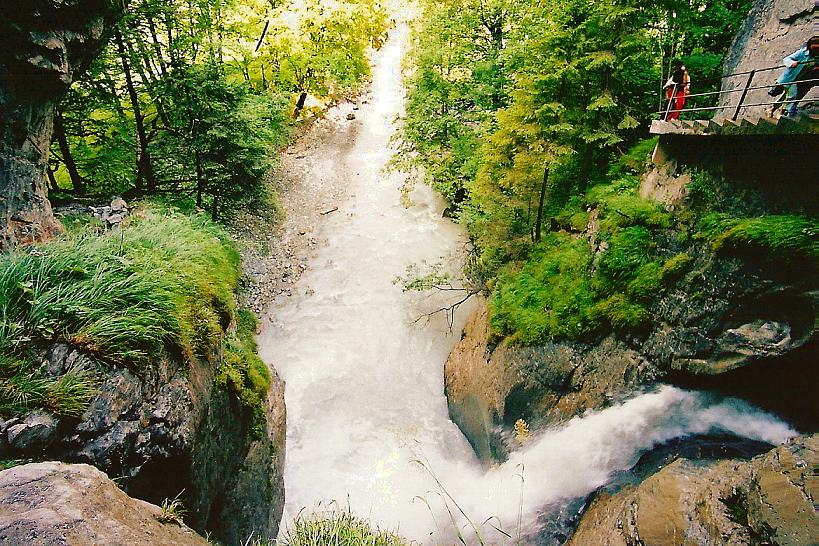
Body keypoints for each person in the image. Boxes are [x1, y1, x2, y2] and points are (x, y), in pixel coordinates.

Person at [768, 36, 819, 117]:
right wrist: (792, 63)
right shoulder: (802, 53)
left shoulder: (816, 57)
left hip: (800, 79)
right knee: (791, 96)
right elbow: (786, 59)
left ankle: (772, 109)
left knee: (787, 97)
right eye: (814, 47)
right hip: (790, 78)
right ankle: (780, 113)